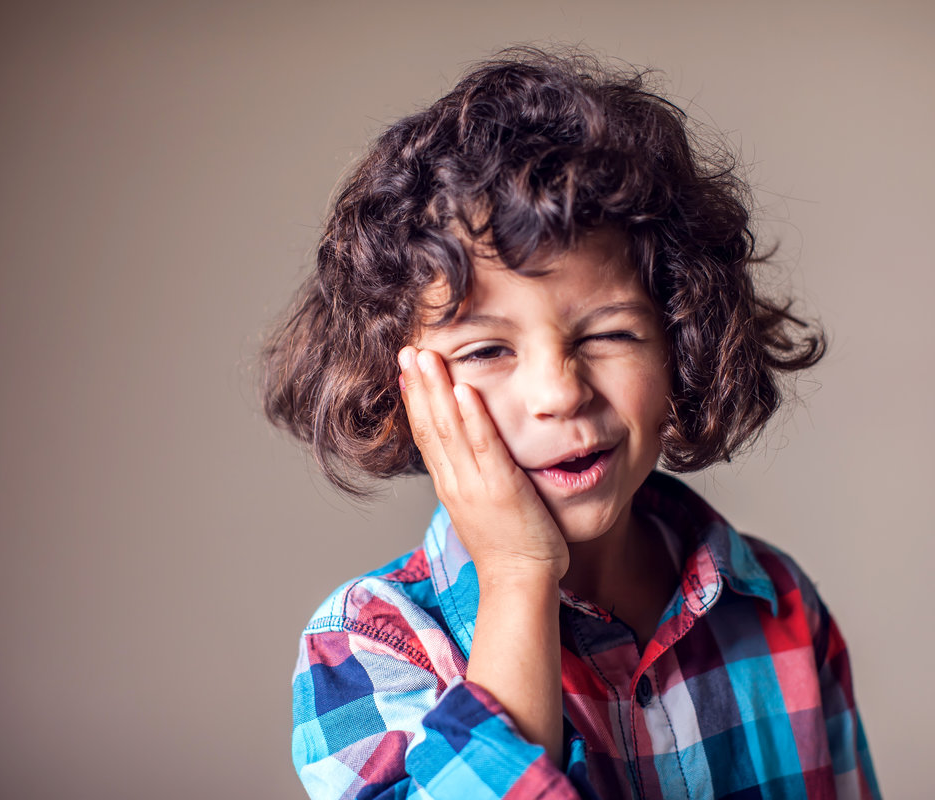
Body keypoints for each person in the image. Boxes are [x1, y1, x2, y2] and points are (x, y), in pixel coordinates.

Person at [261, 47, 880, 800]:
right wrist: (517, 574)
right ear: (399, 387)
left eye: (610, 334)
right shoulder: (367, 648)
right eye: (487, 350)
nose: (559, 393)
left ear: (680, 343)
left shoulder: (779, 605)